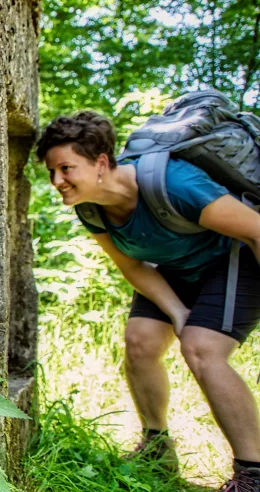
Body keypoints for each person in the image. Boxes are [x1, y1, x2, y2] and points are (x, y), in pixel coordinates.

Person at [37, 111, 260, 491]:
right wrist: (176, 311)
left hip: (234, 258)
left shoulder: (174, 183)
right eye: (52, 172)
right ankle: (157, 448)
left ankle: (253, 474)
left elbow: (256, 231)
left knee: (201, 347)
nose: (57, 181)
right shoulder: (90, 208)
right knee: (140, 341)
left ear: (102, 163)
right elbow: (132, 265)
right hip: (176, 267)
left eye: (66, 168)